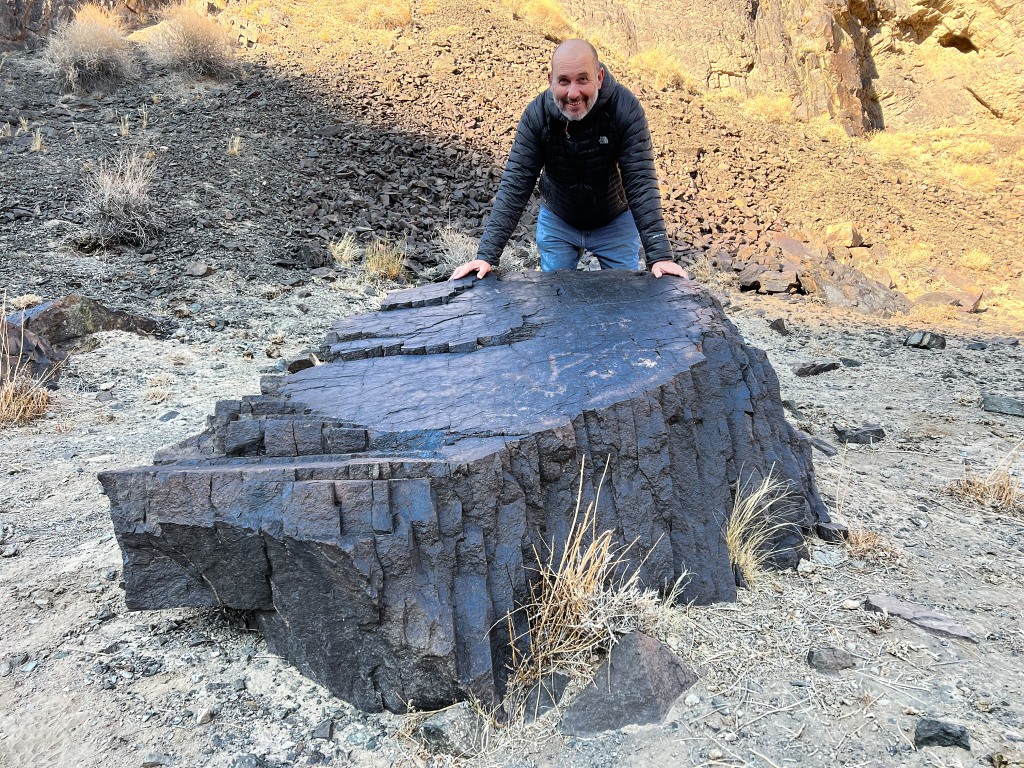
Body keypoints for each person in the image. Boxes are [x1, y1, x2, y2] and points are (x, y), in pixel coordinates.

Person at [450, 39, 688, 281]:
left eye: (583, 79)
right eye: (564, 81)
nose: (573, 93)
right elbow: (516, 183)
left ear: (600, 77)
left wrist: (660, 255)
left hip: (614, 221)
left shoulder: (624, 109)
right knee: (556, 300)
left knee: (623, 300)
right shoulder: (537, 115)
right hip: (559, 221)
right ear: (550, 80)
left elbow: (640, 180)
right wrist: (486, 255)